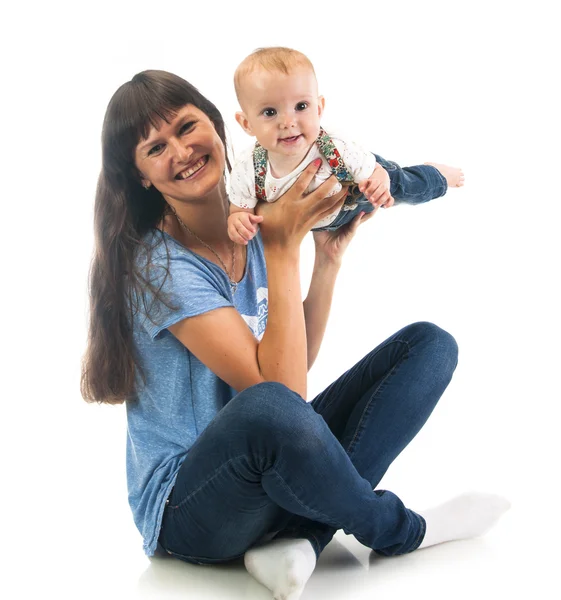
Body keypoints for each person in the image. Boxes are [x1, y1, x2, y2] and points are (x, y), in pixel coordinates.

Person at [81, 69, 510, 600]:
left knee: (429, 346)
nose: (181, 151)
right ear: (142, 175)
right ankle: (402, 531)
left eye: (187, 127)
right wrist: (283, 250)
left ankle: (302, 541)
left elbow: (290, 368)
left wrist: (325, 263)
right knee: (271, 407)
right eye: (155, 148)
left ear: (217, 127)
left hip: (268, 461)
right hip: (191, 511)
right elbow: (281, 396)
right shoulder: (162, 268)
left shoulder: (254, 211)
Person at [228, 47, 464, 245]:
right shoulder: (247, 170)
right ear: (247, 123)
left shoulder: (336, 148)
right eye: (270, 112)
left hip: (359, 181)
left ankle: (437, 176)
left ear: (319, 109)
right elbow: (239, 209)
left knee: (406, 187)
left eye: (301, 106)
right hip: (326, 222)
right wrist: (238, 222)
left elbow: (376, 173)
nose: (288, 123)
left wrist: (379, 184)